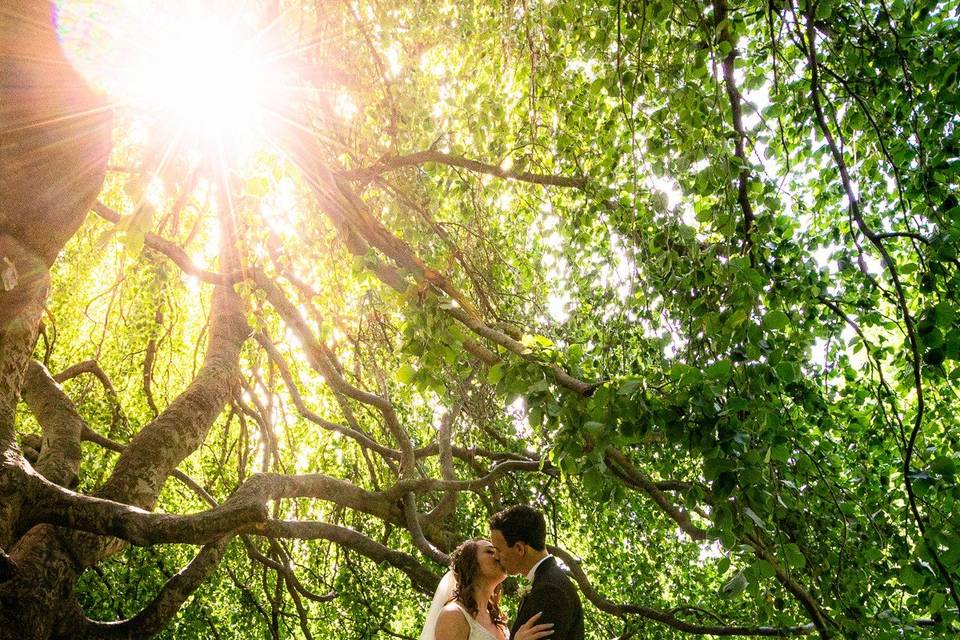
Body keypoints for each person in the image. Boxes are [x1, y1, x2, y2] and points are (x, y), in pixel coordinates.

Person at [422, 538, 556, 640]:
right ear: (471, 563)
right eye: (490, 552)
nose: (498, 556)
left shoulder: (497, 619)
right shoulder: (453, 614)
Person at [489, 506, 584, 640]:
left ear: (519, 549)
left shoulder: (550, 591)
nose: (496, 557)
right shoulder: (546, 580)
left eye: (498, 550)